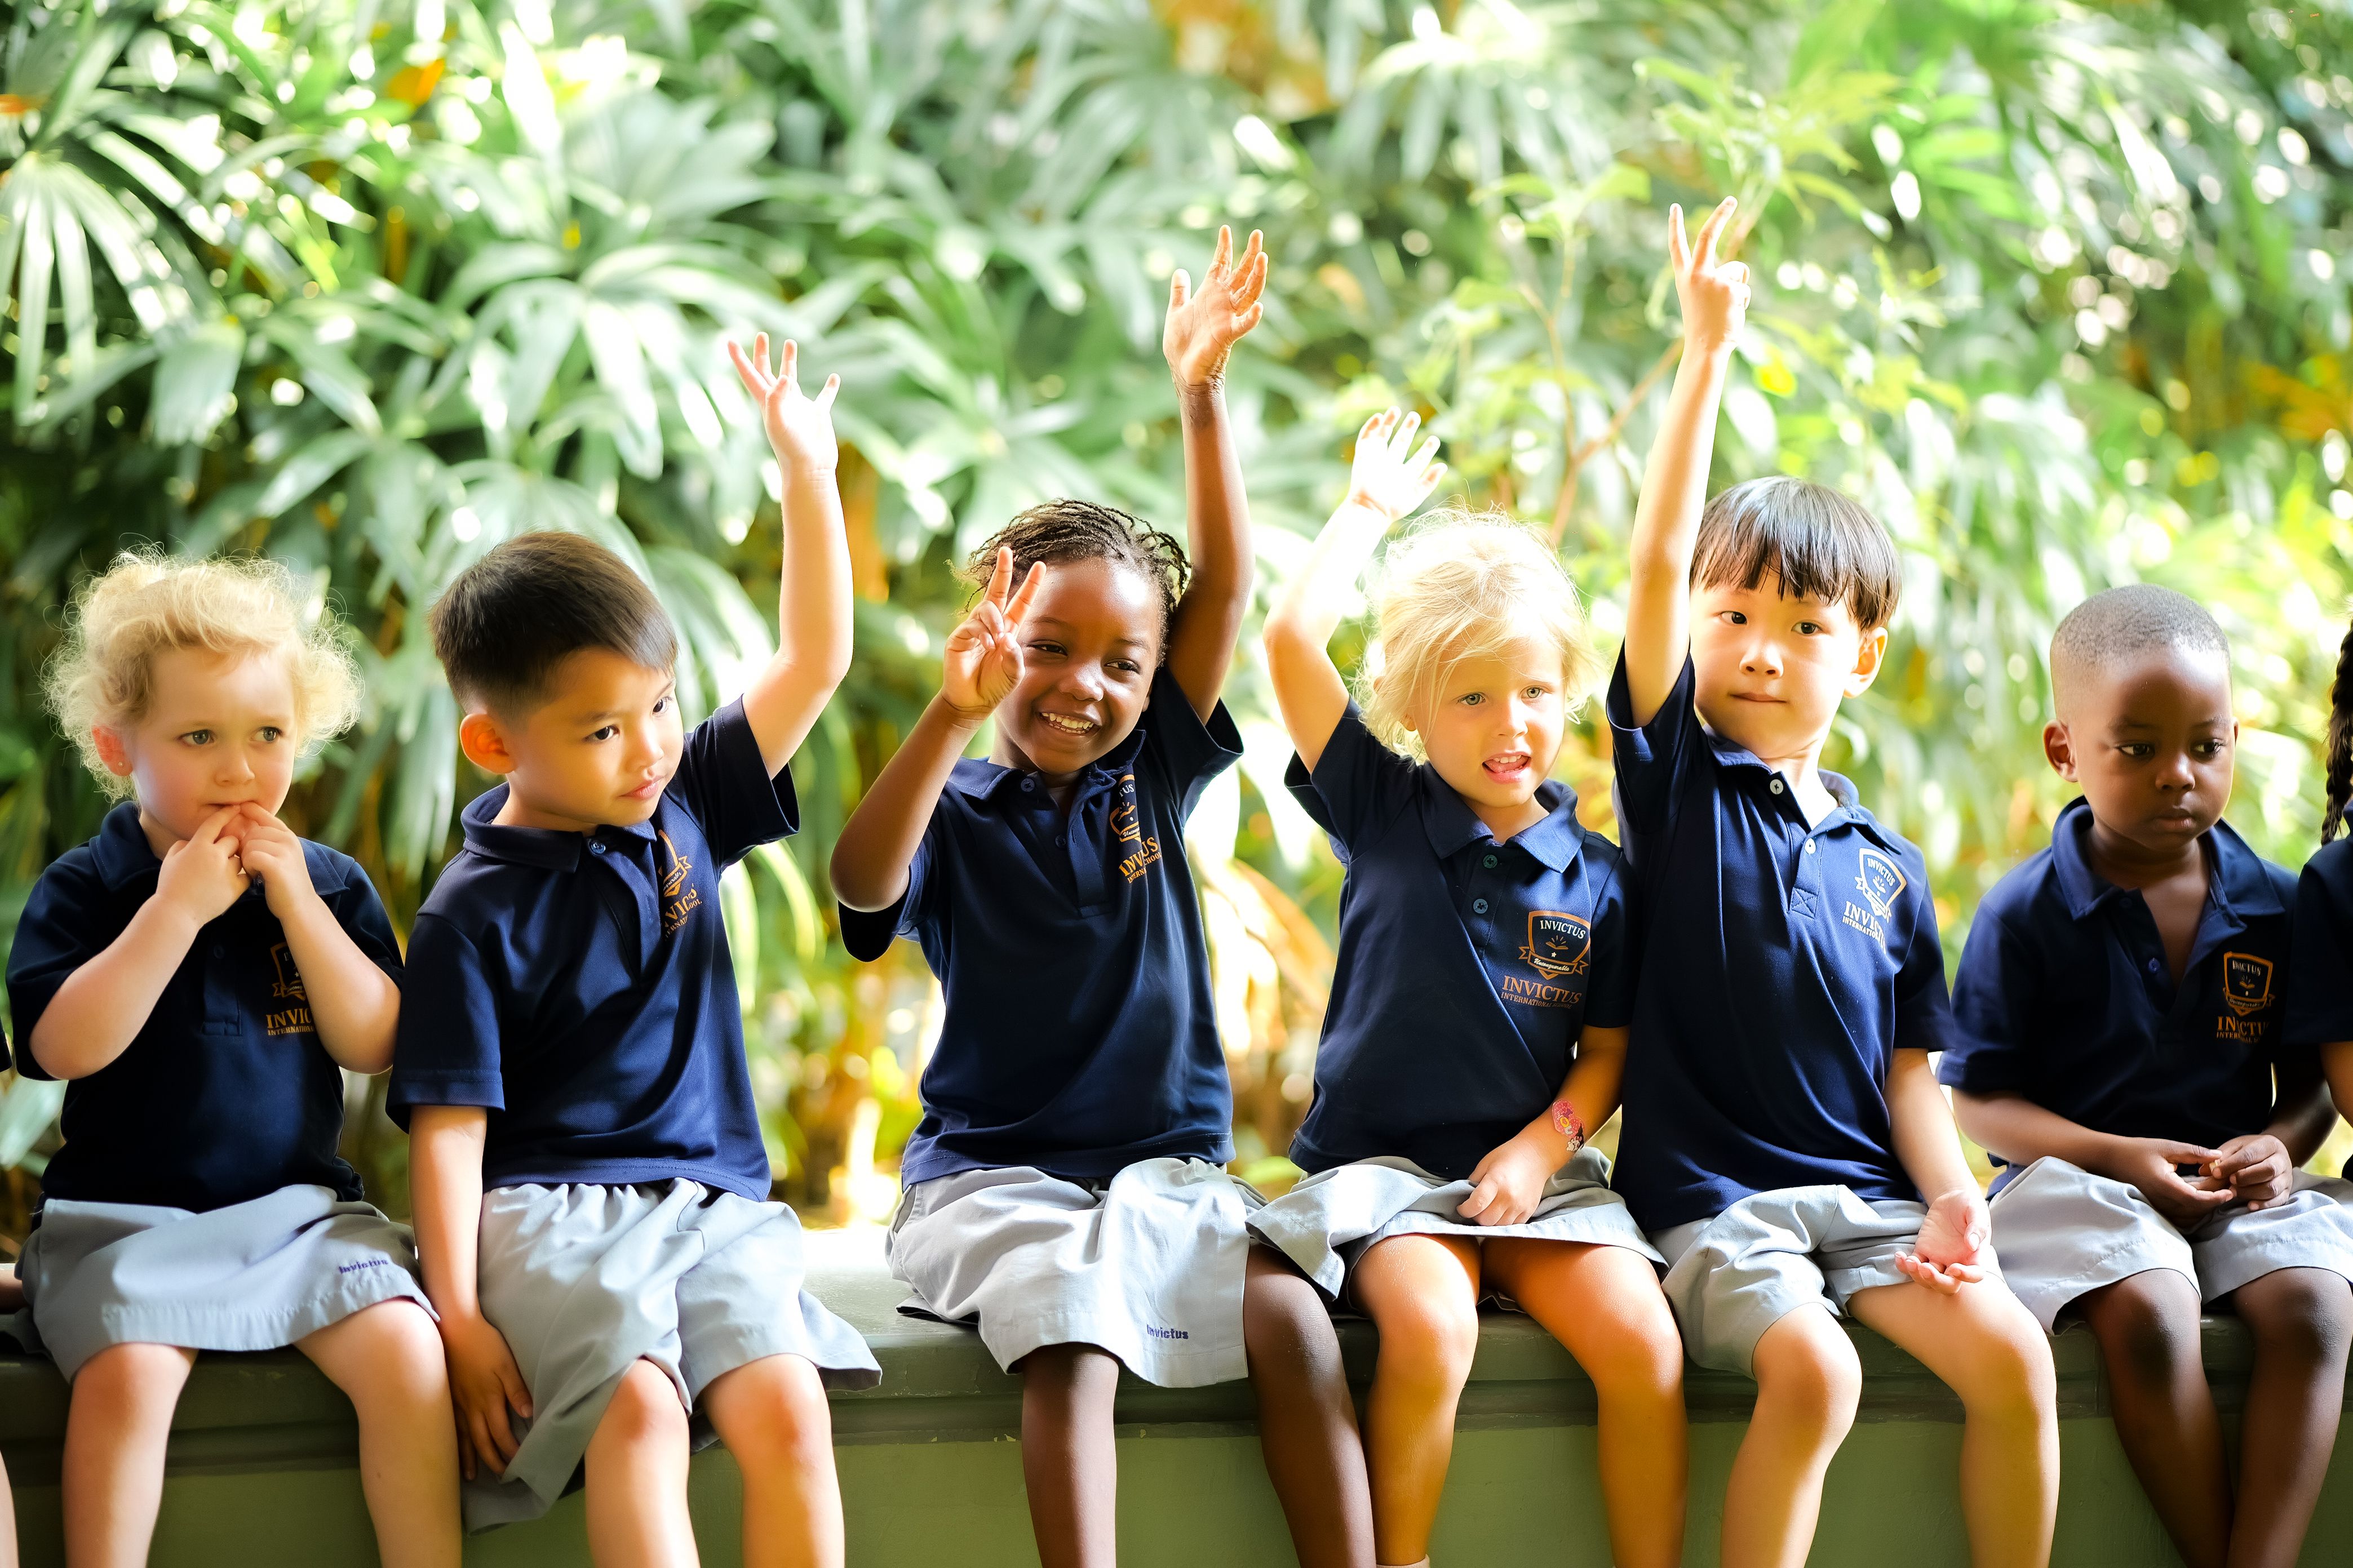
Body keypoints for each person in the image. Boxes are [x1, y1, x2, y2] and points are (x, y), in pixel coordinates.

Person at [830, 228, 1374, 1568]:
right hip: (995, 1182)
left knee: (1295, 1318)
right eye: (1049, 647)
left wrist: (1201, 393)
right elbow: (860, 886)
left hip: (1163, 1176)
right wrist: (947, 718)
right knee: (1073, 1339)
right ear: (992, 637)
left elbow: (1225, 588)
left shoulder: (1151, 771)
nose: (1084, 683)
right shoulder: (953, 803)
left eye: (1124, 663)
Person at [1609, 198, 2058, 1568]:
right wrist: (1705, 356)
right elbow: (1652, 565)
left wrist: (1954, 1197)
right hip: (1714, 1209)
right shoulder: (1679, 783)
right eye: (1732, 616)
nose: (1759, 648)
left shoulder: (1887, 864)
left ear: (1861, 655)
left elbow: (1912, 1074)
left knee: (2015, 1361)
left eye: (1803, 625)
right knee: (1818, 1375)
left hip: (1867, 1205)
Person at [391, 337, 880, 1562]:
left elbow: (815, 658)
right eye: (604, 729)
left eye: (661, 704)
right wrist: (458, 1318)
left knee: (789, 1410)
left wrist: (806, 472)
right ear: (496, 746)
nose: (651, 745)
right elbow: (448, 1133)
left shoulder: (686, 798)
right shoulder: (468, 912)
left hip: (714, 1204)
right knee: (642, 1415)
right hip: (547, 1214)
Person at [1249, 411, 1686, 1568]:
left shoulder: (1599, 876)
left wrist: (1542, 1152)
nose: (1512, 724)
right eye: (1474, 698)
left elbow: (1608, 1053)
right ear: (1412, 708)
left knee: (1647, 1346)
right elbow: (1288, 643)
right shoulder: (1380, 805)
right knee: (1434, 1335)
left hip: (1542, 1182)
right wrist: (1364, 513)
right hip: (1386, 1176)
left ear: (1570, 692)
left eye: (1535, 690)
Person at [8, 553, 458, 1568]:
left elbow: (376, 1042)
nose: (240, 770)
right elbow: (57, 1048)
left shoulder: (327, 884)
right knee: (127, 1375)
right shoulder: (87, 887)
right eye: (198, 737)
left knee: (405, 1349)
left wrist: (298, 906)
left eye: (268, 735)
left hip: (299, 1218)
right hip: (123, 1224)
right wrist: (172, 914)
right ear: (117, 746)